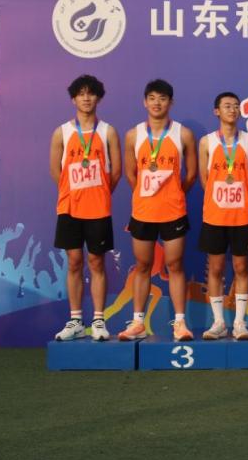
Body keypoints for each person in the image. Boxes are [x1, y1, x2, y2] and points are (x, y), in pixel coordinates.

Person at [118, 79, 197, 342]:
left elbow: (192, 174)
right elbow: (131, 174)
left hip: (173, 211)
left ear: (170, 102)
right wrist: (147, 194)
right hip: (143, 212)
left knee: (175, 265)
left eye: (162, 98)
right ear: (144, 102)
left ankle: (180, 324)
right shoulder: (133, 135)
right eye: (152, 98)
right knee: (143, 266)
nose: (157, 103)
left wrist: (173, 193)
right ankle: (138, 322)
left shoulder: (183, 134)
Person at [50, 75, 122, 341]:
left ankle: (99, 321)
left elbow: (116, 172)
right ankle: (76, 320)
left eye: (91, 93)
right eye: (81, 94)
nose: (86, 98)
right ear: (73, 99)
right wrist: (74, 192)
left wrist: (98, 194)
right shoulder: (62, 132)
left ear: (98, 98)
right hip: (69, 207)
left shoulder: (108, 132)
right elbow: (56, 171)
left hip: (98, 209)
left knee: (96, 262)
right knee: (74, 261)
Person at [198, 92, 248, 341]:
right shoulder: (207, 142)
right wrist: (221, 199)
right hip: (215, 215)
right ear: (217, 111)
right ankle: (219, 322)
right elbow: (205, 180)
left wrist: (237, 197)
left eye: (236, 106)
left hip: (242, 215)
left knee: (241, 267)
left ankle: (240, 323)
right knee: (216, 267)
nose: (232, 110)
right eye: (227, 106)